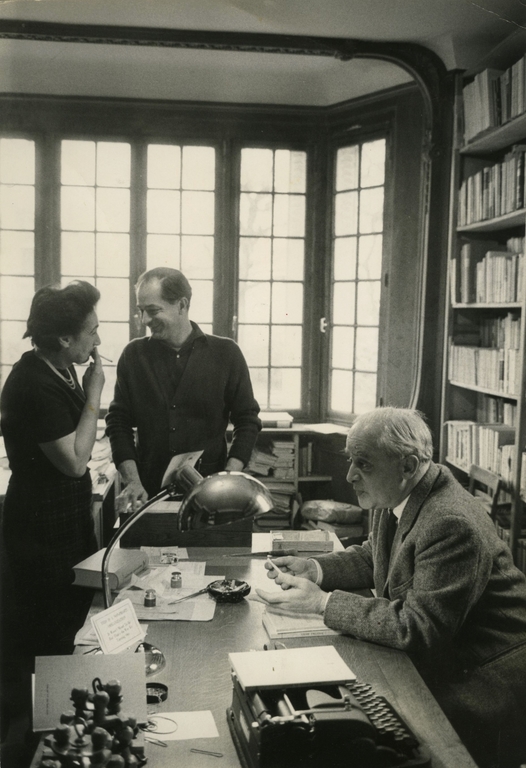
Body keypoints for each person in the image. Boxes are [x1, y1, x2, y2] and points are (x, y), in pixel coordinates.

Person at [257, 407, 526, 768]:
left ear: (409, 466)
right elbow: (378, 557)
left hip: (481, 679)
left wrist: (323, 603)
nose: (350, 474)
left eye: (363, 464)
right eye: (351, 460)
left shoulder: (450, 523)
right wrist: (315, 569)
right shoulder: (403, 493)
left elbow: (419, 627)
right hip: (445, 656)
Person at [1, 281, 104, 655]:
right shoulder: (32, 383)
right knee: (51, 635)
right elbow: (76, 463)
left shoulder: (61, 367)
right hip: (41, 529)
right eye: (91, 332)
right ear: (63, 338)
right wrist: (95, 393)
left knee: (75, 621)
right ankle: (47, 711)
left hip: (67, 520)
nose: (98, 341)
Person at [106, 267, 261, 512]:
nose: (145, 320)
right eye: (141, 311)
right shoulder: (134, 356)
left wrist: (229, 477)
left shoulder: (226, 354)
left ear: (182, 304)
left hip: (212, 496)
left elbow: (248, 420)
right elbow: (118, 423)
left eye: (153, 310)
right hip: (147, 494)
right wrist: (133, 481)